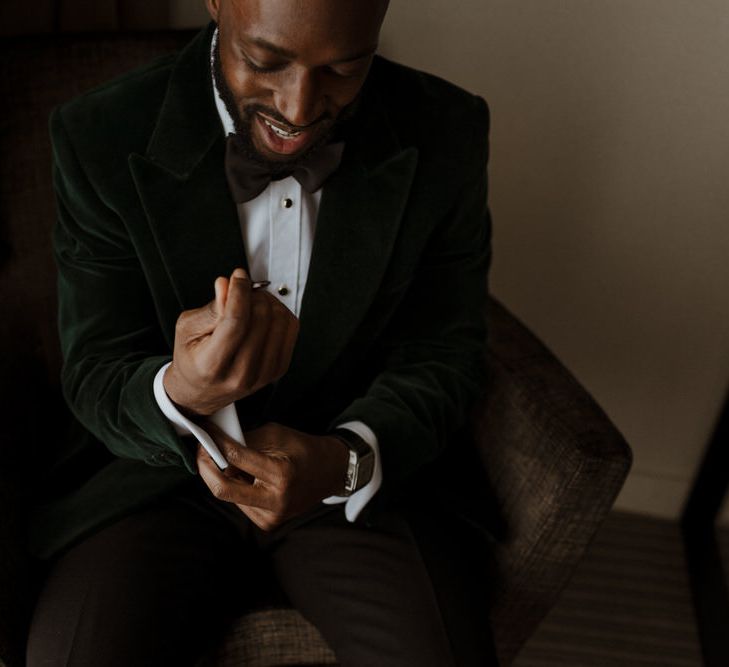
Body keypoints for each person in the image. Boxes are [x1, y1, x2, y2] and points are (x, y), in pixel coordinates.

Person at [26, 0, 498, 664]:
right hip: (152, 483)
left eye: (342, 67)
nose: (300, 108)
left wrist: (346, 458)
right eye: (263, 61)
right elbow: (96, 365)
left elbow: (444, 349)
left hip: (352, 486)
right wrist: (180, 388)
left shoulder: (447, 128)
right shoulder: (99, 133)